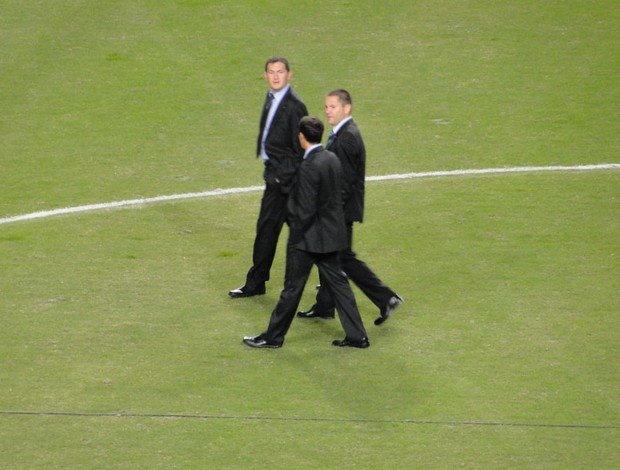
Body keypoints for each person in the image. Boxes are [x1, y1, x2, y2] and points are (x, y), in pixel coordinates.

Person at [243, 116, 369, 349]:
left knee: (291, 290)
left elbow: (304, 208)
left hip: (308, 241)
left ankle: (273, 337)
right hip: (332, 236)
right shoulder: (331, 158)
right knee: (340, 286)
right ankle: (358, 336)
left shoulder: (308, 166)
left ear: (301, 137)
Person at [296, 89, 403, 325]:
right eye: (326, 107)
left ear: (347, 108)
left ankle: (386, 298)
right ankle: (325, 305)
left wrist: (327, 211)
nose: (327, 111)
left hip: (340, 212)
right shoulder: (342, 134)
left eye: (332, 107)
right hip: (341, 210)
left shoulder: (347, 137)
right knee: (330, 257)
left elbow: (344, 183)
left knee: (343, 258)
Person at [229, 57, 308, 298]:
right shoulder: (271, 98)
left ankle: (331, 281)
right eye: (271, 72)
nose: (275, 76)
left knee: (305, 237)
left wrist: (283, 177)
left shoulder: (295, 106)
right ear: (265, 75)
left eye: (280, 72)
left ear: (289, 75)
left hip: (287, 183)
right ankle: (256, 282)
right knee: (267, 231)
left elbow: (302, 147)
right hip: (275, 179)